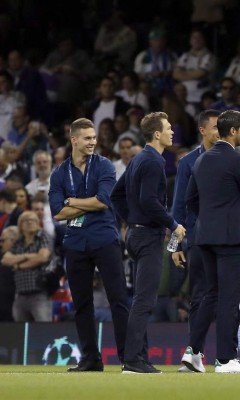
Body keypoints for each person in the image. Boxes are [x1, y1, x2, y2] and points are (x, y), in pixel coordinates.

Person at [183, 110, 240, 373]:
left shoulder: (201, 160)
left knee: (211, 294)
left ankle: (193, 353)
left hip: (205, 238)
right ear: (232, 131)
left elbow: (191, 199)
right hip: (230, 239)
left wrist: (208, 220)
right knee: (229, 298)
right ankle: (224, 359)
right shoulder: (236, 159)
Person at [48, 118, 129, 372]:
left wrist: (72, 201)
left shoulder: (104, 165)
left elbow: (104, 201)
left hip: (105, 239)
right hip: (75, 243)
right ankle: (91, 359)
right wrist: (84, 202)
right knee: (82, 304)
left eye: (94, 138)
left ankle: (129, 357)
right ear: (74, 140)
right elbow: (57, 212)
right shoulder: (60, 173)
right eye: (87, 138)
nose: (93, 142)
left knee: (118, 299)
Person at [110, 112, 186, 374]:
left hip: (135, 234)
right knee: (144, 300)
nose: (172, 132)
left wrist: (131, 219)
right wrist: (173, 224)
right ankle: (132, 360)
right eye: (168, 128)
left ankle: (139, 357)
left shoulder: (137, 159)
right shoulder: (153, 161)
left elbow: (115, 195)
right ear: (157, 134)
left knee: (141, 299)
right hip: (147, 237)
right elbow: (149, 201)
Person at [1, 211, 51, 322]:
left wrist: (18, 266)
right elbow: (6, 260)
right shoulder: (19, 242)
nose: (29, 222)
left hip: (38, 294)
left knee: (43, 327)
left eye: (33, 220)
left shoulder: (42, 237)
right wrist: (27, 255)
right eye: (26, 220)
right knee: (20, 330)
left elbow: (42, 257)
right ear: (20, 225)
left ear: (38, 223)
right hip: (20, 295)